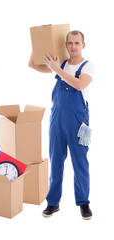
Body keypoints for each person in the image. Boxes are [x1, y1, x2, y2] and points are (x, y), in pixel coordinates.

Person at [28, 30, 94, 220]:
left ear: (83, 45)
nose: (73, 47)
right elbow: (32, 64)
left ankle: (84, 203)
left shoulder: (88, 66)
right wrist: (38, 42)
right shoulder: (61, 63)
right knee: (56, 161)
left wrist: (56, 69)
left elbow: (79, 85)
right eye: (70, 43)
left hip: (78, 121)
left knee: (80, 163)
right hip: (56, 120)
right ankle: (53, 203)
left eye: (77, 43)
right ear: (66, 45)